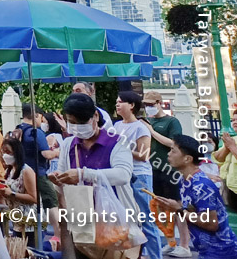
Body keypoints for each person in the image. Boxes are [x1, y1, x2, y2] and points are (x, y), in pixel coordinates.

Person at [49, 92, 138, 252]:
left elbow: (123, 175)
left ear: (96, 116)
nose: (76, 127)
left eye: (81, 122)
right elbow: (61, 184)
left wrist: (83, 174)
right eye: (71, 122)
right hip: (82, 224)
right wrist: (58, 180)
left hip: (116, 223)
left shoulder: (117, 142)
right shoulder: (68, 145)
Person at [154, 135, 237, 259]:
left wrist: (178, 210)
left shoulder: (201, 185)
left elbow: (211, 223)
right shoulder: (185, 180)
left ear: (187, 159)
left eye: (173, 151)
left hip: (221, 252)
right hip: (207, 251)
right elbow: (192, 211)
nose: (169, 154)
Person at [114, 90, 164, 259]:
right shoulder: (117, 126)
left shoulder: (140, 127)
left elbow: (144, 155)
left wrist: (122, 148)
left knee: (145, 217)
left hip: (139, 175)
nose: (117, 105)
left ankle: (155, 255)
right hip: (122, 173)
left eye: (121, 102)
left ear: (132, 105)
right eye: (117, 102)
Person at [143, 89, 192, 257]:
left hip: (169, 170)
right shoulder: (148, 121)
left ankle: (185, 244)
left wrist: (152, 132)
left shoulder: (171, 121)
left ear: (159, 103)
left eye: (151, 104)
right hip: (152, 169)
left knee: (176, 206)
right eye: (146, 105)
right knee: (162, 208)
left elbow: (174, 142)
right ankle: (171, 241)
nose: (148, 107)